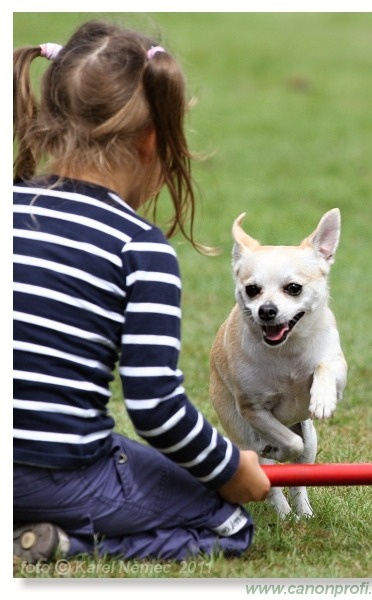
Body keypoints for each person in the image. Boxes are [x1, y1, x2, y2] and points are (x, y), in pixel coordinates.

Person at [13, 19, 270, 564]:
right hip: (60, 473)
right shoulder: (138, 246)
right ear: (155, 140)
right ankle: (65, 543)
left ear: (48, 117)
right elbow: (154, 406)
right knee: (227, 524)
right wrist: (230, 468)